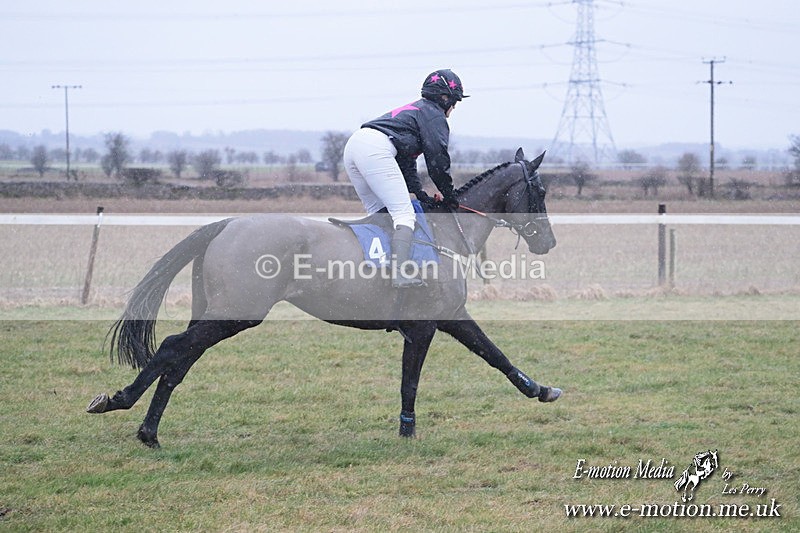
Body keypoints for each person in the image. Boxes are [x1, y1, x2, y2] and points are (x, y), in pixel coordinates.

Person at [343, 69, 468, 288]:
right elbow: (437, 161)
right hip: (375, 149)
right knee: (404, 215)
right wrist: (450, 195)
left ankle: (377, 271)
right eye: (455, 102)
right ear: (444, 98)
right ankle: (400, 274)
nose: (454, 108)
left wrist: (420, 194)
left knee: (380, 213)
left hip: (355, 146)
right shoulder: (434, 115)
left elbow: (407, 162)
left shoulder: (417, 110)